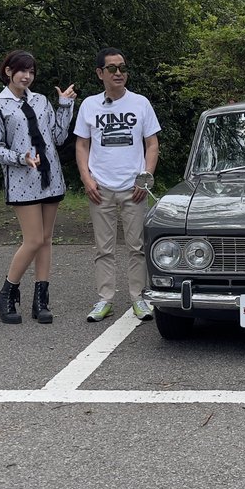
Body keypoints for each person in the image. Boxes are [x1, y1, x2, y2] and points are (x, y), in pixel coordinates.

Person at [0, 50, 77, 325]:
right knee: (33, 240)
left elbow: (58, 137)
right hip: (23, 181)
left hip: (51, 177)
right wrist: (20, 158)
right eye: (22, 70)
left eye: (32, 71)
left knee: (46, 239)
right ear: (8, 71)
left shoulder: (40, 101)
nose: (27, 76)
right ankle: (7, 293)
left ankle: (41, 301)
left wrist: (64, 106)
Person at [74, 48, 160, 322]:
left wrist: (145, 178)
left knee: (137, 246)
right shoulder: (89, 105)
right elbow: (82, 144)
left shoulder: (141, 103)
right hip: (101, 189)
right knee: (104, 248)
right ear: (100, 74)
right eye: (112, 68)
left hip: (133, 188)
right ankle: (105, 299)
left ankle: (138, 297)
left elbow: (152, 144)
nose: (119, 73)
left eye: (122, 67)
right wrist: (87, 179)